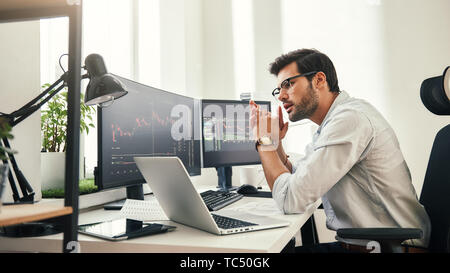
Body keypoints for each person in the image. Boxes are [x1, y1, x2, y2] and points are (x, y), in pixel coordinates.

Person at [249, 48, 431, 253]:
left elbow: (290, 200)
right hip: (376, 246)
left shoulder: (350, 120)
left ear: (319, 80)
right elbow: (299, 177)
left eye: (288, 84)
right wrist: (276, 143)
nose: (281, 96)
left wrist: (263, 141)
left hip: (390, 248)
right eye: (278, 90)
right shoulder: (334, 123)